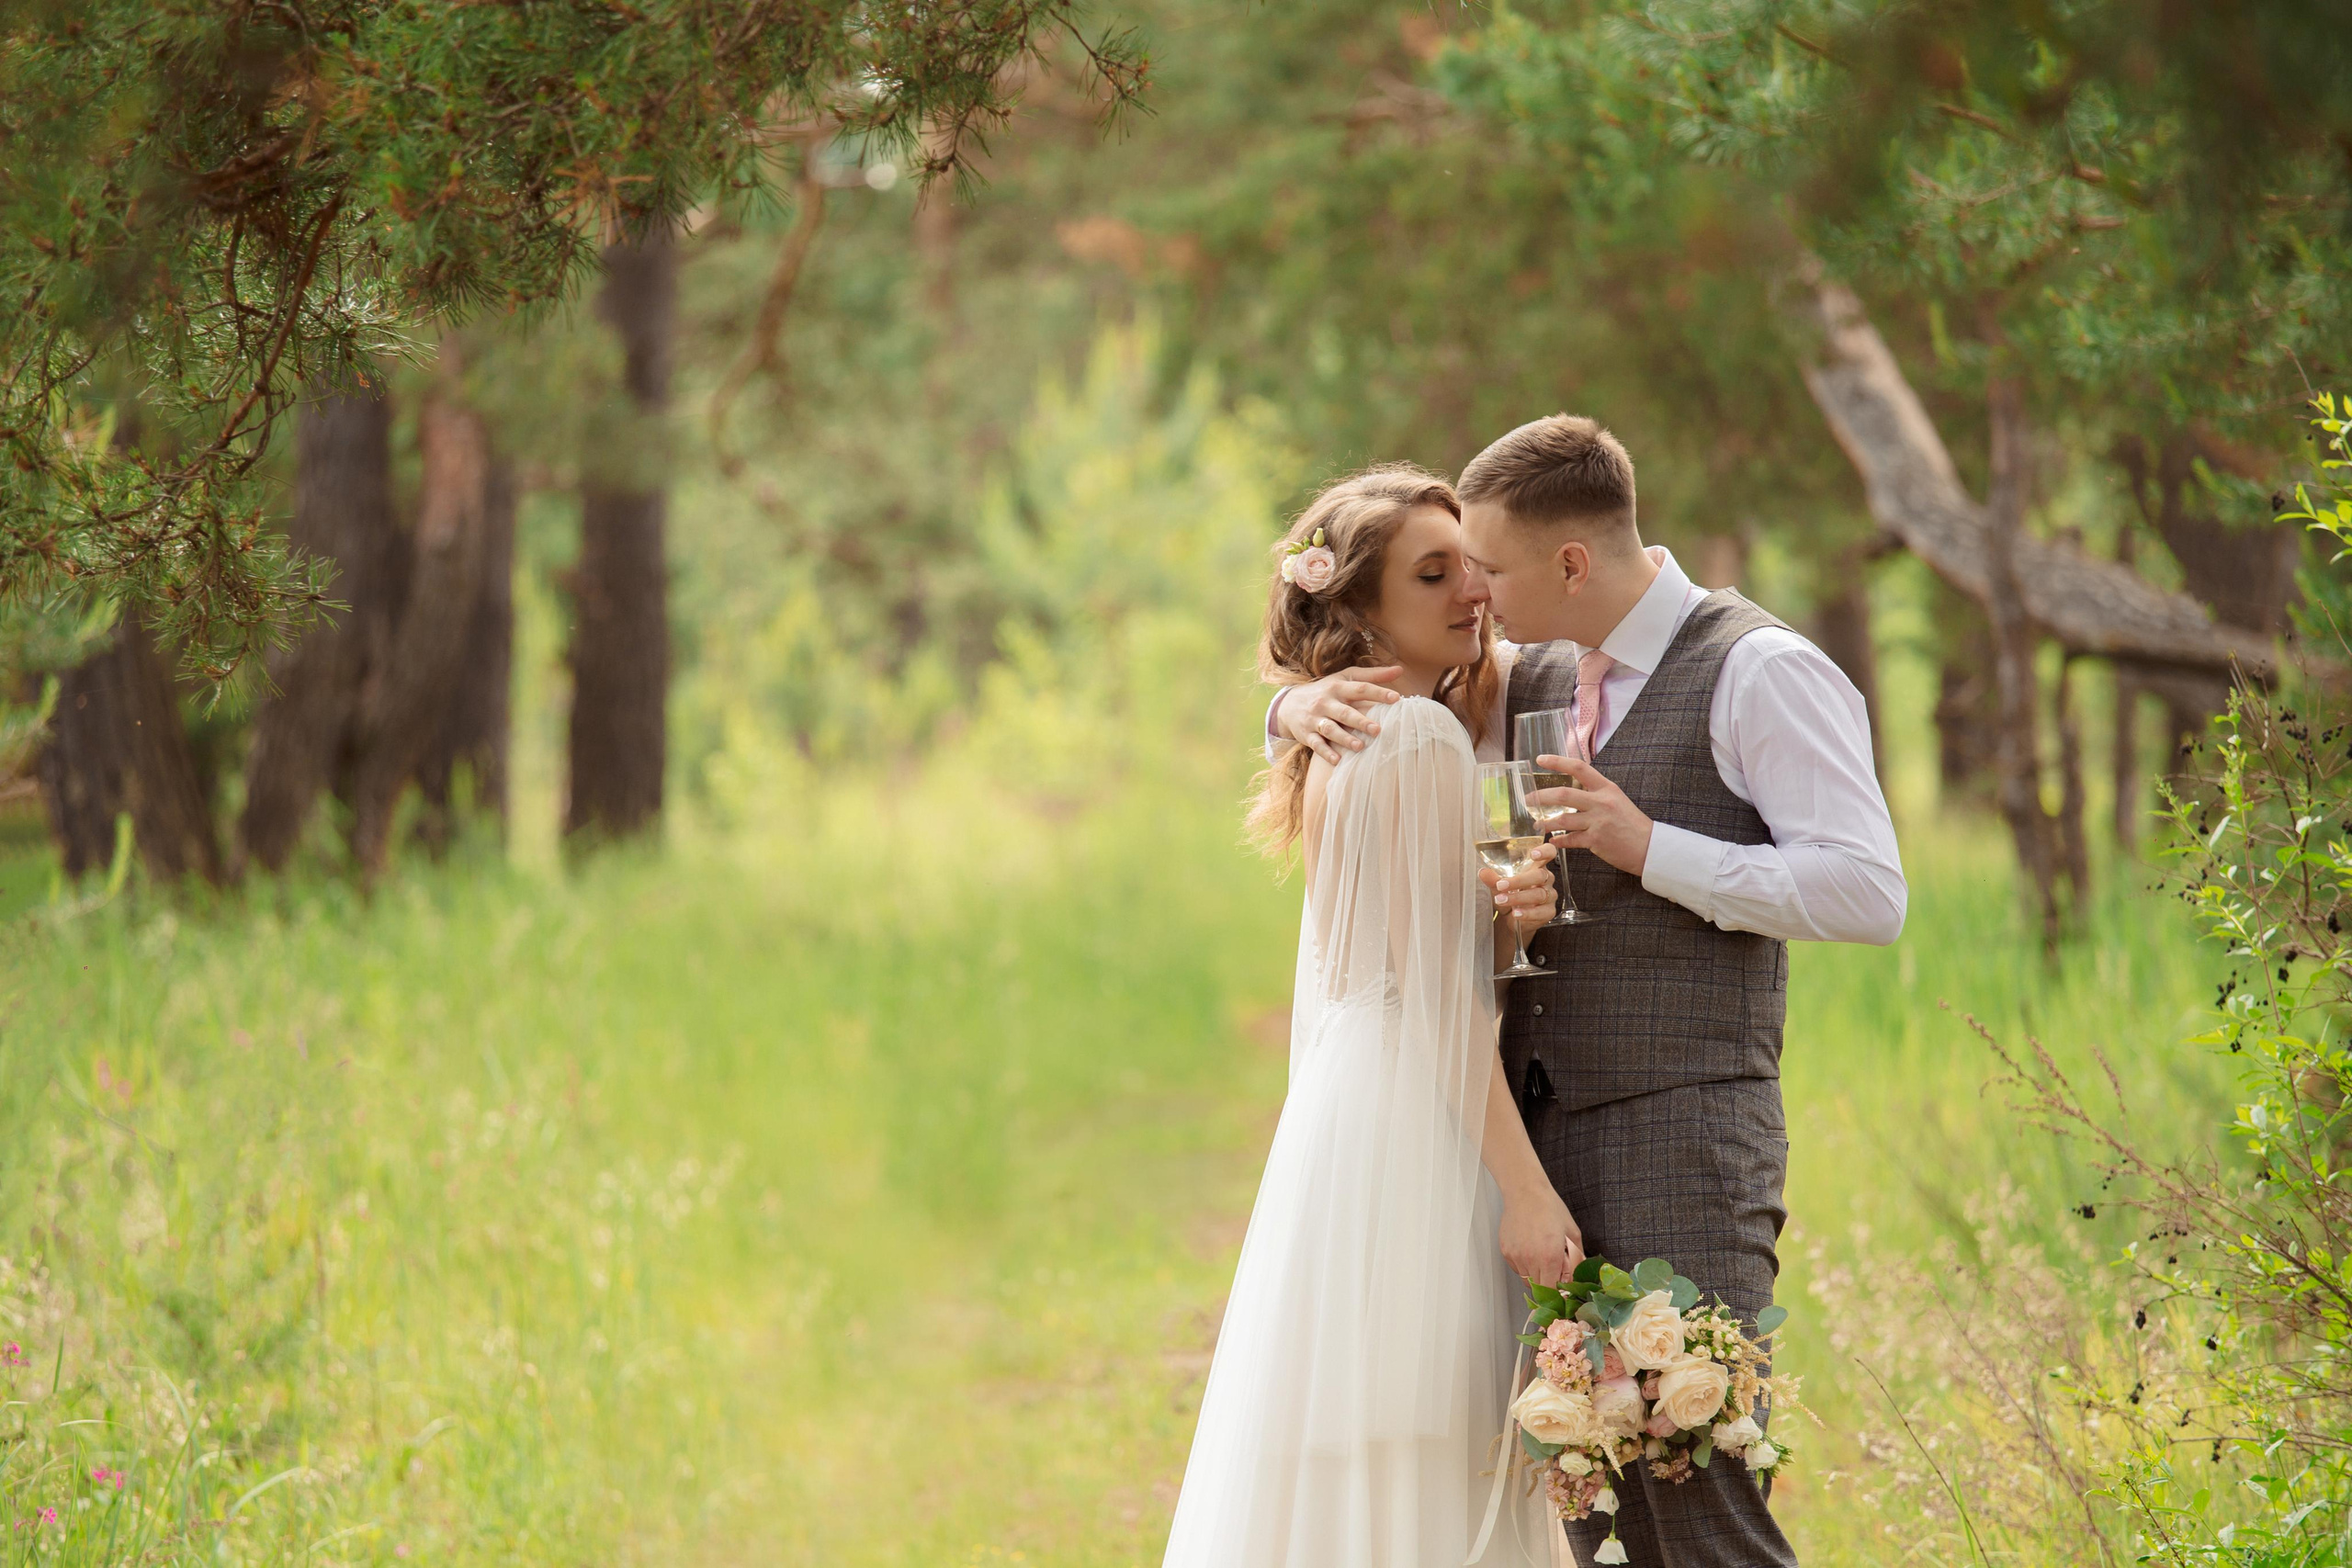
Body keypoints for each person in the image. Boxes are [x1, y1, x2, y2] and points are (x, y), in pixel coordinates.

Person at [1272, 416, 1906, 1568]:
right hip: (1532, 1149)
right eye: (1454, 572)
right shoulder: (1532, 669)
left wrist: (1647, 846)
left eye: (1486, 568)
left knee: (1700, 1497)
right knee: (1593, 1517)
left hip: (1680, 1138)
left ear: (1568, 561)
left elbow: (1868, 893)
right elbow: (1380, 702)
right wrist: (1287, 707)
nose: (1475, 594)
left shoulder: (1758, 669)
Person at [1163, 465, 1572, 1568]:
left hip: (1358, 1108)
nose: (1470, 591)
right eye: (1431, 575)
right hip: (1420, 1112)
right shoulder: (1417, 739)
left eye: (1471, 567)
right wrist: (1527, 1191)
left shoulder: (1353, 736)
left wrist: (1505, 923)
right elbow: (1434, 998)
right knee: (1434, 1447)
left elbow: (1425, 948)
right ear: (1359, 608)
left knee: (1373, 1445)